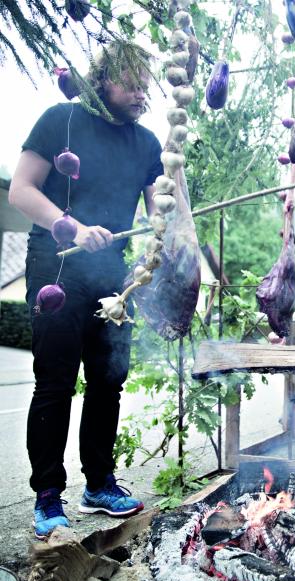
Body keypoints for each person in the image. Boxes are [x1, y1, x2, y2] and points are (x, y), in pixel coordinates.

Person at [8, 42, 164, 539]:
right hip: (56, 264)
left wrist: (166, 234)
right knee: (55, 381)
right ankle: (48, 495)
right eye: (132, 82)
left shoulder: (147, 143)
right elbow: (22, 190)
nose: (142, 93)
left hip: (114, 271)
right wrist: (70, 226)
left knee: (108, 380)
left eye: (147, 83)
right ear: (103, 81)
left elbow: (160, 209)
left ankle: (99, 483)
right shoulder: (61, 120)